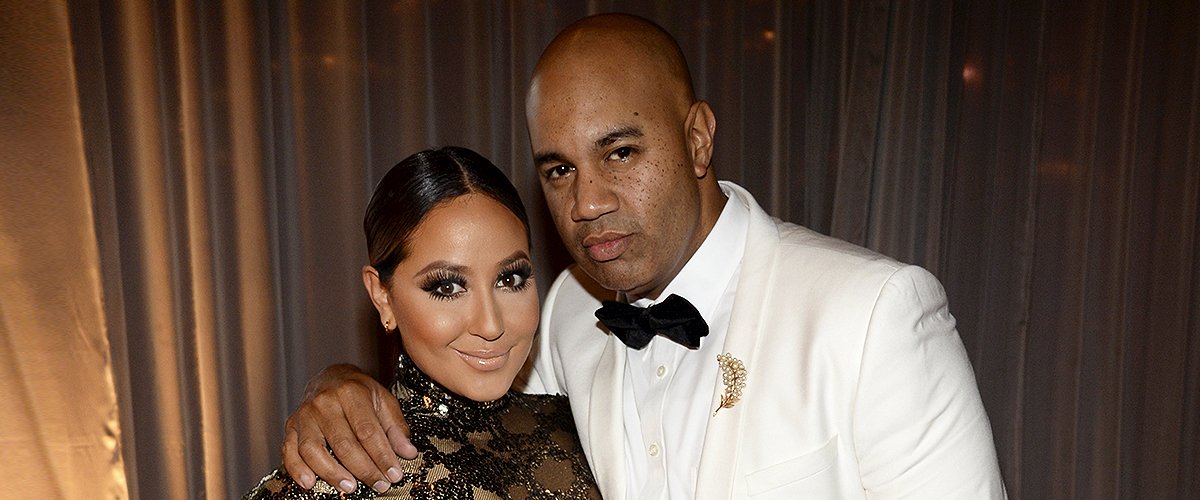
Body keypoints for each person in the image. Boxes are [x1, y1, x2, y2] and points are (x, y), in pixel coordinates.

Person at [281, 14, 1007, 499]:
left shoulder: (873, 313)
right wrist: (340, 382)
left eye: (620, 152)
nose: (587, 201)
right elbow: (463, 394)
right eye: (559, 169)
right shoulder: (563, 310)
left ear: (696, 138)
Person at [245, 147, 601, 499]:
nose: (491, 326)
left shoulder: (580, 428)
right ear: (382, 295)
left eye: (509, 279)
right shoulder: (341, 477)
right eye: (448, 287)